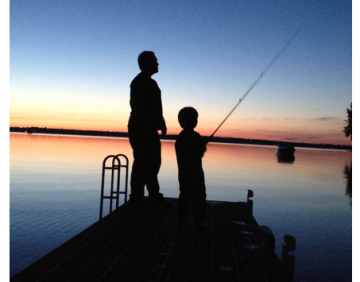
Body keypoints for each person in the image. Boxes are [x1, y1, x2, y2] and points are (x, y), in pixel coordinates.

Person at [127, 51, 169, 207]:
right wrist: (147, 126)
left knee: (153, 162)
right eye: (155, 61)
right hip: (140, 128)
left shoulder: (152, 83)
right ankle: (137, 197)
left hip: (149, 128)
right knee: (142, 162)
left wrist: (161, 123)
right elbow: (137, 106)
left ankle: (153, 195)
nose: (158, 64)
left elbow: (157, 107)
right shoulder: (138, 82)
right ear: (146, 63)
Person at [175, 107, 209, 228]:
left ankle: (181, 220)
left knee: (184, 196)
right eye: (194, 118)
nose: (195, 121)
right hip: (196, 174)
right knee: (199, 197)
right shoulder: (195, 136)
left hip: (183, 174)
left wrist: (201, 143)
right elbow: (199, 152)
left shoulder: (180, 137)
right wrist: (203, 145)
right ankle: (199, 220)